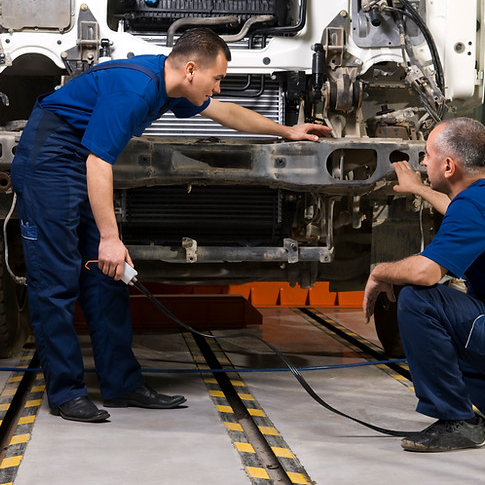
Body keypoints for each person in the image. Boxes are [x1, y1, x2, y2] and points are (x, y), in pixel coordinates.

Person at [10, 28, 331, 423]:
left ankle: (121, 384)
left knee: (106, 277)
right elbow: (99, 162)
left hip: (80, 161)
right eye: (217, 79)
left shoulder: (170, 85)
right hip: (50, 160)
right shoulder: (136, 90)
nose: (217, 88)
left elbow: (224, 112)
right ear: (192, 70)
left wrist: (286, 131)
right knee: (57, 280)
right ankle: (66, 394)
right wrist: (110, 237)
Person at [363, 116, 485, 452]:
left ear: (448, 166)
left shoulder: (474, 205)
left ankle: (457, 421)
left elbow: (425, 274)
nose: (422, 162)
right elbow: (462, 212)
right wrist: (419, 188)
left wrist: (379, 272)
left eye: (428, 157)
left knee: (421, 299)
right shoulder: (482, 198)